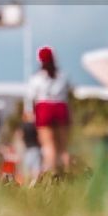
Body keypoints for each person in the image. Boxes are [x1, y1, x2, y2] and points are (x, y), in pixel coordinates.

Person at [27, 47, 72, 175]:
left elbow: (30, 98)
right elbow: (68, 94)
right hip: (61, 108)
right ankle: (67, 175)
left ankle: (51, 175)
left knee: (48, 146)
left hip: (44, 109)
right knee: (63, 147)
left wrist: (30, 114)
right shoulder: (63, 76)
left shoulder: (36, 78)